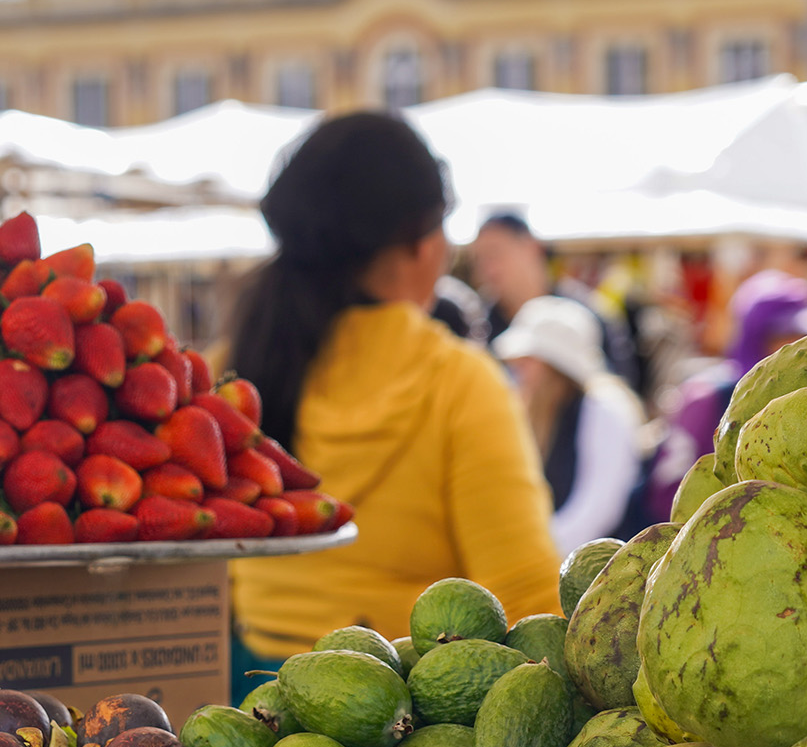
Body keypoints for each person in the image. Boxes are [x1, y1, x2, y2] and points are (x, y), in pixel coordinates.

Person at [227, 113, 562, 675]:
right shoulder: (460, 383)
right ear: (421, 245)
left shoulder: (232, 372)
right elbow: (529, 605)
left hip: (245, 696)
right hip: (396, 706)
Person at [644, 269, 807, 521]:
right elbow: (667, 495)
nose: (799, 348)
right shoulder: (705, 400)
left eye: (806, 338)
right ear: (752, 339)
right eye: (784, 338)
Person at [492, 296, 647, 552]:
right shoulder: (536, 411)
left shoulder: (604, 410)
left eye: (527, 361)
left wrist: (533, 551)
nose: (517, 370)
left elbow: (597, 511)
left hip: (599, 567)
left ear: (556, 365)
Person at [469, 212, 644, 395]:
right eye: (479, 259)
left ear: (532, 247)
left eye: (495, 253)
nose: (488, 269)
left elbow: (620, 384)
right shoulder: (480, 326)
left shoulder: (585, 313)